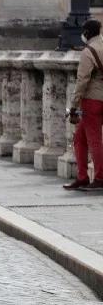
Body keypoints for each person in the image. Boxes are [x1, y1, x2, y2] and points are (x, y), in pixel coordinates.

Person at [64, 19, 103, 191]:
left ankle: (100, 178)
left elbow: (82, 81)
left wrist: (73, 105)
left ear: (87, 33)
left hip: (92, 100)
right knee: (79, 138)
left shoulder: (88, 52)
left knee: (94, 140)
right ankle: (82, 177)